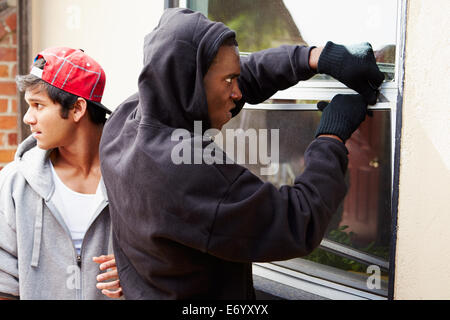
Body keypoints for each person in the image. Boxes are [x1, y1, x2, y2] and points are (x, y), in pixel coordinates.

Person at [99, 8, 384, 299]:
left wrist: (314, 57)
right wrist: (331, 137)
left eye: (235, 77)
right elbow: (297, 222)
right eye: (228, 81)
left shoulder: (123, 123)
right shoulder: (185, 168)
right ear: (193, 84)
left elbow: (236, 79)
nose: (237, 92)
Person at [0, 47, 122, 299]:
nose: (27, 118)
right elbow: (3, 280)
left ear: (77, 109)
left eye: (38, 105)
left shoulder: (132, 179)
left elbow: (166, 262)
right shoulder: (14, 183)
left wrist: (135, 274)